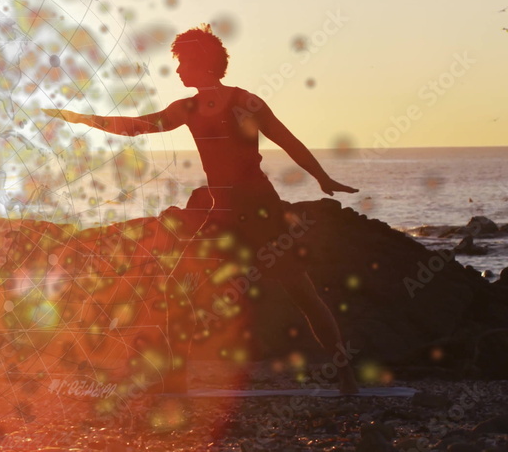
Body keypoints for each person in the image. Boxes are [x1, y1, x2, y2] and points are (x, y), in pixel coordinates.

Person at [44, 24, 360, 394]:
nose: (177, 70)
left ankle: (346, 376)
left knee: (301, 293)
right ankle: (176, 380)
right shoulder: (188, 108)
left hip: (261, 211)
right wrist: (83, 119)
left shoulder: (246, 102)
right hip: (221, 212)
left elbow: (287, 140)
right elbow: (138, 126)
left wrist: (322, 178)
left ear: (202, 63)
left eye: (183, 63)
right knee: (180, 290)